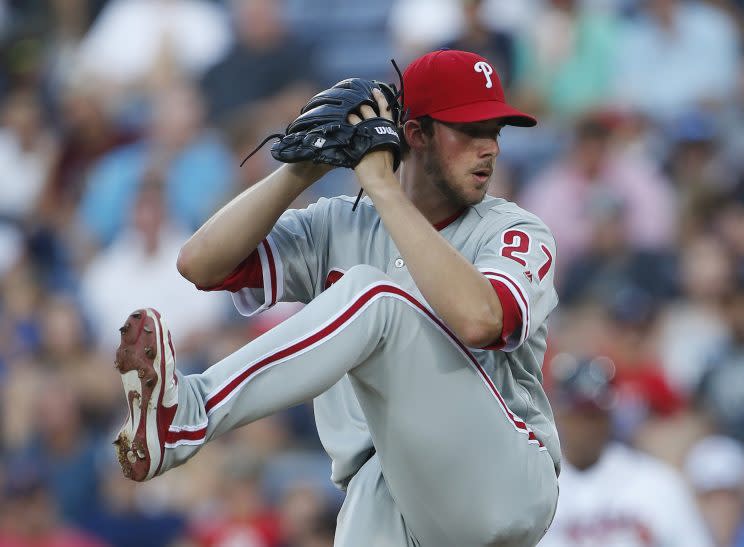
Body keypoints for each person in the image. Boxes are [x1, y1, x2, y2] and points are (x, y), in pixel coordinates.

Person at [113, 49, 560, 546]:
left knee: (375, 296)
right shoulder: (338, 221)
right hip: (385, 496)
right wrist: (299, 171)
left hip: (498, 476)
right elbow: (199, 263)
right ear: (416, 134)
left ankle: (189, 415)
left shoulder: (513, 228)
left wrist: (381, 184)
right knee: (372, 311)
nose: (490, 148)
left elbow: (482, 319)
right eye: (470, 130)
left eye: (494, 131)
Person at [539, 354, 712, 547]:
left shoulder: (657, 482)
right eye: (578, 413)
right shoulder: (534, 488)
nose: (586, 426)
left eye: (594, 414)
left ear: (609, 416)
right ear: (558, 414)